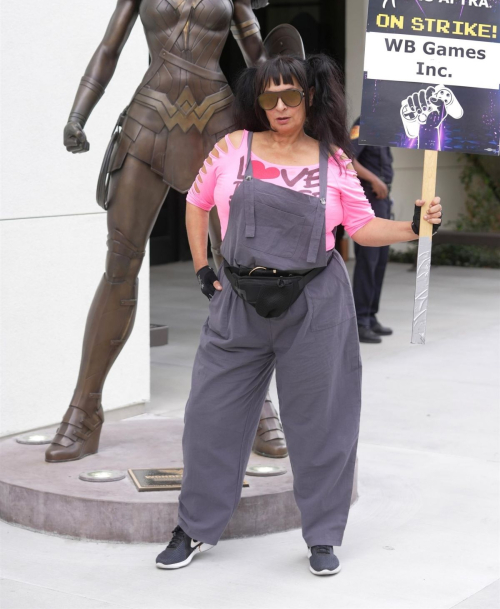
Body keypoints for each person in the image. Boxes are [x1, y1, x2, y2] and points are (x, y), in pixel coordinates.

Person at [155, 55, 442, 576]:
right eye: (269, 97)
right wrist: (202, 266)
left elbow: (360, 227)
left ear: (310, 98)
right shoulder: (230, 148)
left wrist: (413, 228)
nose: (280, 107)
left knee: (323, 421)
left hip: (315, 302)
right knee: (209, 418)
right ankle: (195, 527)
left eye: (290, 95)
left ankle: (324, 535)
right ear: (256, 102)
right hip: (238, 300)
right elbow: (197, 203)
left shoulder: (332, 161)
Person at [45, 0, 287, 463]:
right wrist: (78, 115)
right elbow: (108, 52)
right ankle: (84, 410)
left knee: (240, 268)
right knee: (119, 265)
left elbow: (261, 62)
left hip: (220, 127)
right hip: (148, 125)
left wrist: (291, 123)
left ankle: (260, 407)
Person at [350, 118, 394, 343]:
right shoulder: (365, 122)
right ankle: (360, 321)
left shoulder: (383, 125)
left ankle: (371, 315)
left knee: (380, 260)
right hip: (369, 199)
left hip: (383, 201)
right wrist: (374, 179)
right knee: (368, 260)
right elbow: (347, 158)